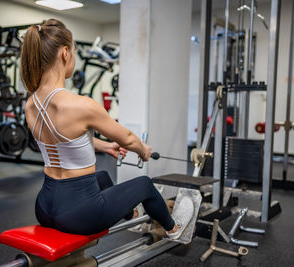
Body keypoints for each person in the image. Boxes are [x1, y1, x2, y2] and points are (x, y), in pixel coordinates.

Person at [21, 19, 193, 239]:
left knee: (101, 177)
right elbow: (129, 139)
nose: (73, 56)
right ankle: (175, 229)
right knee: (145, 185)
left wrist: (106, 146)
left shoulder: (31, 103)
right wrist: (143, 150)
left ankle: (131, 216)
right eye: (73, 51)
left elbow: (61, 141)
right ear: (65, 52)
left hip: (45, 207)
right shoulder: (80, 104)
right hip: (79, 213)